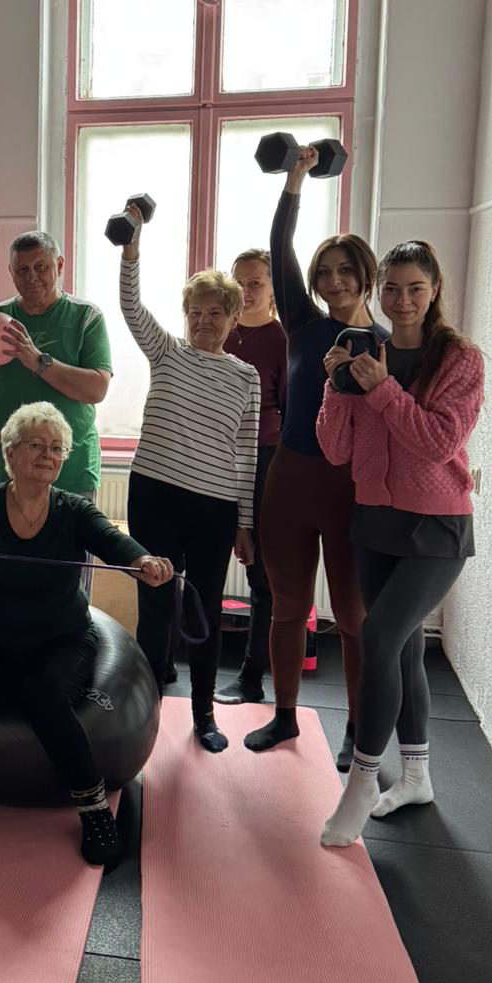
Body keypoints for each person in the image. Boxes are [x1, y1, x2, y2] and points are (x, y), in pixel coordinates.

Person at [0, 401, 174, 868]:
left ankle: (94, 809)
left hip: (62, 636)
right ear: (10, 452)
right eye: (37, 445)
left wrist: (144, 561)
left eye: (57, 448)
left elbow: (112, 540)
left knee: (44, 695)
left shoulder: (74, 509)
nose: (48, 455)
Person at [317, 242, 484, 846]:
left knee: (381, 637)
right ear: (377, 291)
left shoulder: (459, 360)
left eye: (415, 288)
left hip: (436, 527)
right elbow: (335, 449)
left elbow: (439, 443)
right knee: (406, 649)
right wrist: (337, 386)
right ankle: (416, 776)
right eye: (392, 289)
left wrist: (384, 390)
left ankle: (362, 781)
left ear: (435, 289)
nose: (403, 300)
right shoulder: (368, 350)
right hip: (375, 521)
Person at [245, 149, 384, 770]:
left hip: (350, 490)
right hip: (290, 481)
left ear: (365, 276)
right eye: (324, 272)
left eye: (345, 271)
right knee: (287, 607)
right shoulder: (301, 324)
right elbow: (280, 248)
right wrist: (295, 180)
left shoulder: (387, 344)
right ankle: (284, 716)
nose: (333, 282)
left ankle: (357, 727)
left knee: (353, 617)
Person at [118, 207, 260, 752]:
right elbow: (131, 306)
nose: (204, 322)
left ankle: (204, 714)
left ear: (233, 318)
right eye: (195, 312)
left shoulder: (246, 377)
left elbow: (246, 452)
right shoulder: (167, 351)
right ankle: (145, 710)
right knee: (154, 604)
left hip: (214, 507)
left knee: (204, 609)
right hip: (154, 494)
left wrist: (245, 523)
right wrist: (132, 251)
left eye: (215, 313)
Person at [0, 230, 111, 502]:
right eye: (22, 270)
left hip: (69, 473)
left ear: (59, 265)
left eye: (40, 267)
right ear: (11, 271)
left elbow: (97, 389)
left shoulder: (86, 316)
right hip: (1, 471)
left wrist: (38, 361)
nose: (31, 277)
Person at [216, 248, 287, 705]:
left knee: (261, 574)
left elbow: (289, 410)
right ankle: (180, 664)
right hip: (215, 456)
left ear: (272, 289)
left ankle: (251, 675)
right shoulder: (221, 333)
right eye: (238, 282)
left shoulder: (283, 339)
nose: (245, 291)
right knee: (205, 562)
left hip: (263, 460)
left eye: (255, 282)